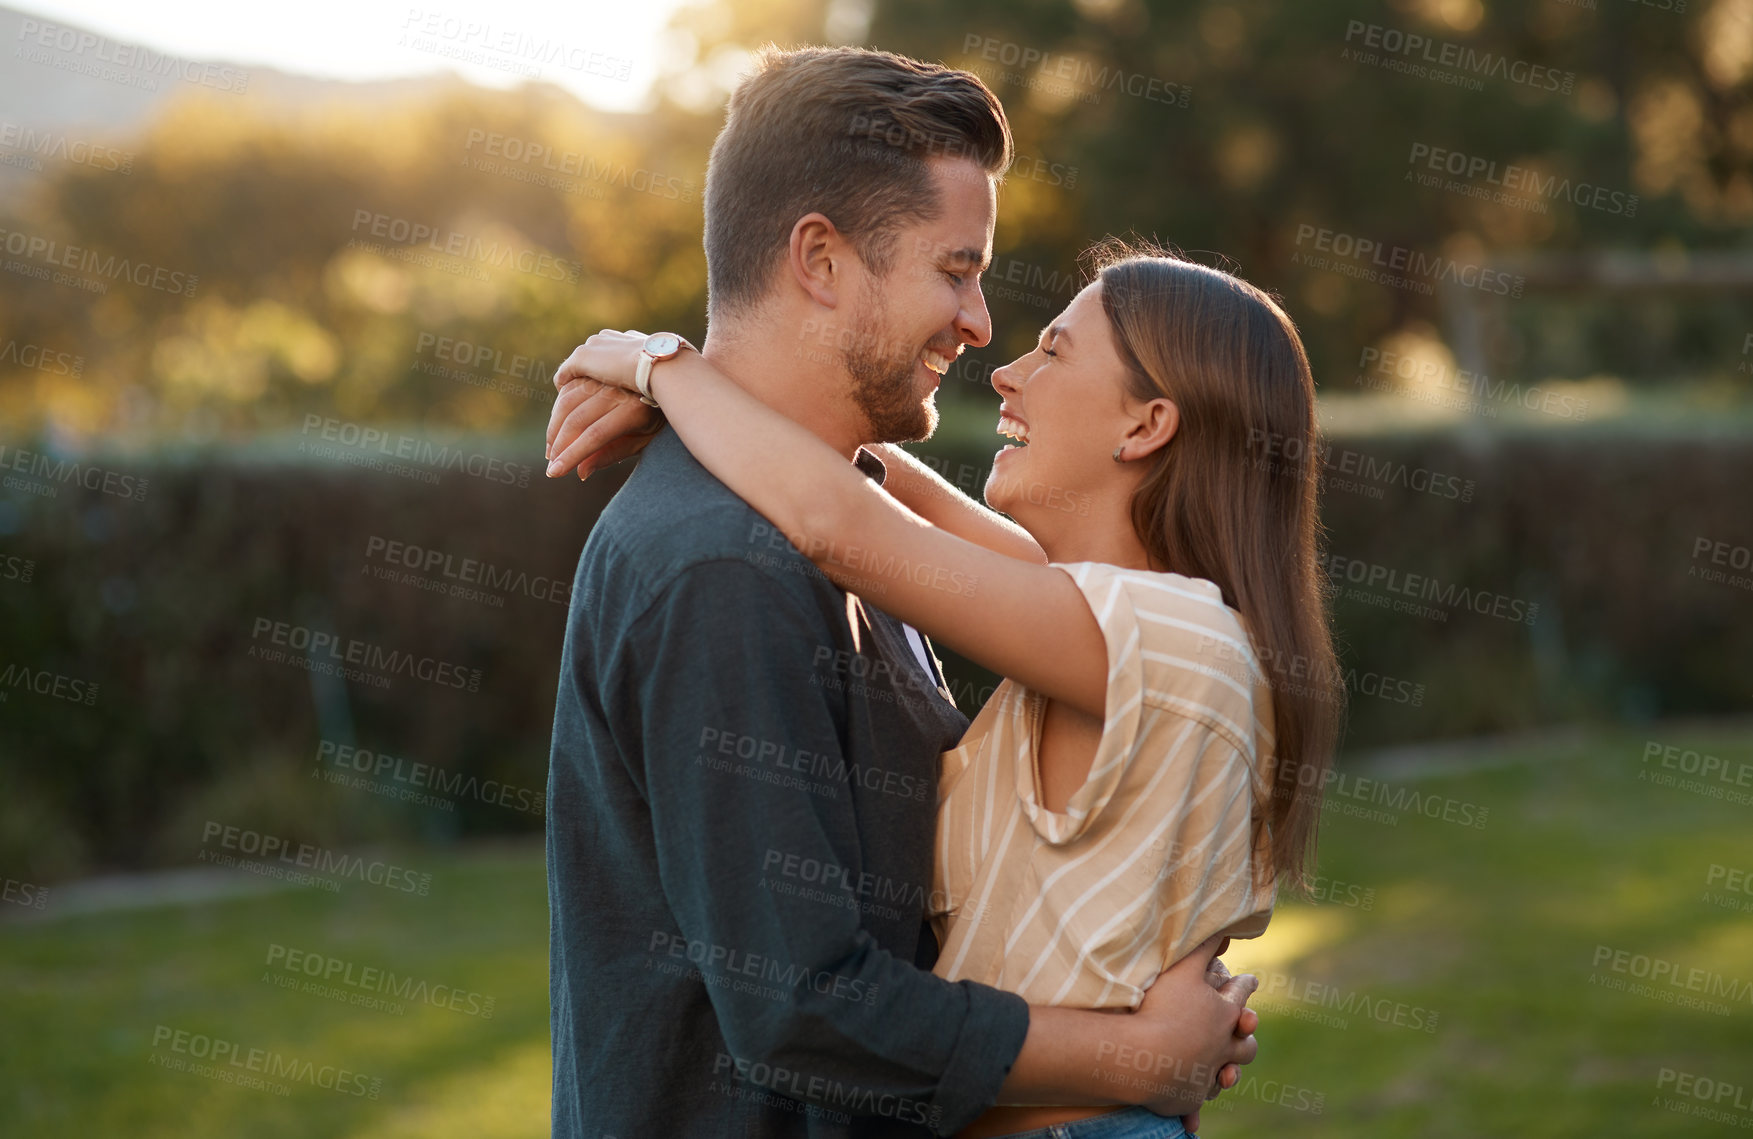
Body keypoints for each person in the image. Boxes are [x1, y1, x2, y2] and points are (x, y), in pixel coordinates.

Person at [542, 45, 1265, 1139]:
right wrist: (1132, 1056)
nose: (980, 326)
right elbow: (802, 1005)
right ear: (821, 261)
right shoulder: (727, 565)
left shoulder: (842, 536)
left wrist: (672, 375)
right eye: (955, 269)